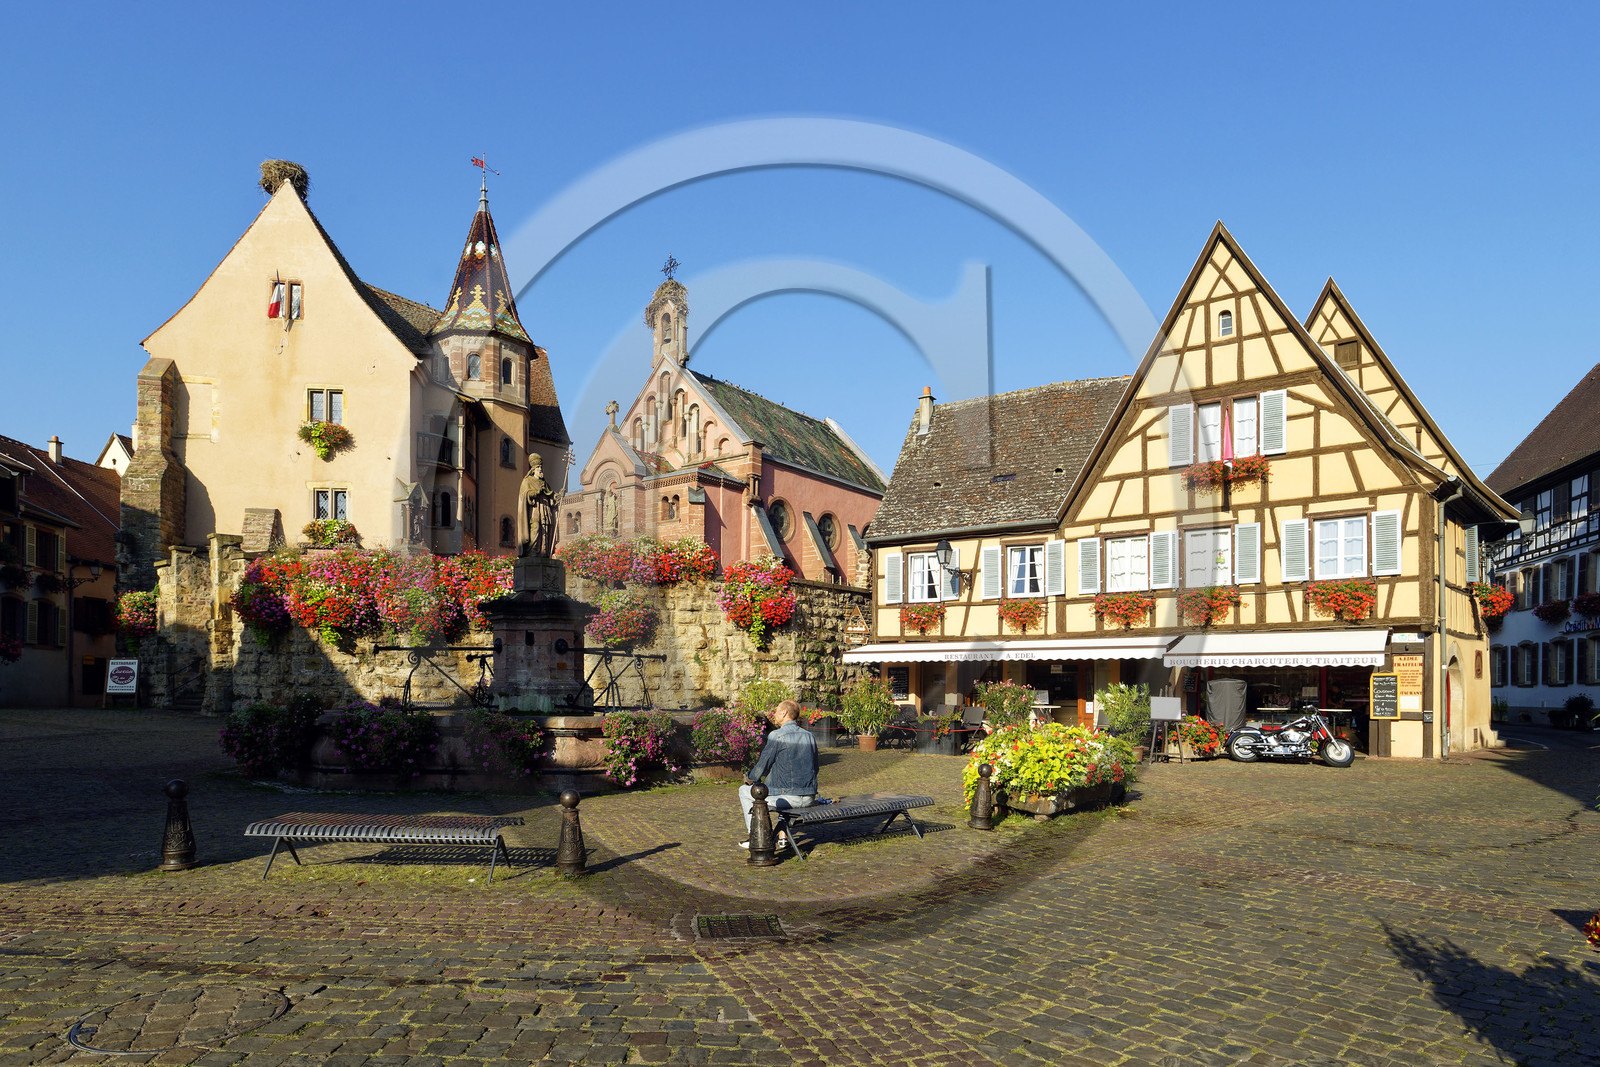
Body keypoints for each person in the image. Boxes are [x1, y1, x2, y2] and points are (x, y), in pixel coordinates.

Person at [738, 700, 818, 848]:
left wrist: (749, 778)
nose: (773, 715)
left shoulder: (777, 735)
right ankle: (782, 837)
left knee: (744, 791)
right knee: (780, 793)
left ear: (784, 713)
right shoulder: (809, 736)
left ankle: (756, 837)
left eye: (776, 711)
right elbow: (816, 768)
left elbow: (763, 765)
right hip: (808, 797)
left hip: (787, 798)